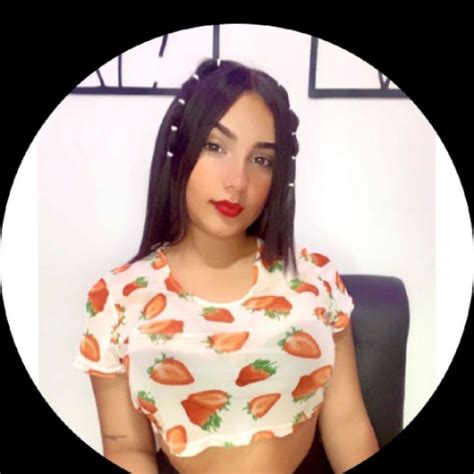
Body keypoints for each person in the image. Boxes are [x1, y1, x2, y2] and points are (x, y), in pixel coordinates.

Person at [74, 57, 379, 474]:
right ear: (179, 152)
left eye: (262, 160)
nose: (238, 181)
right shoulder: (117, 298)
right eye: (215, 147)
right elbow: (127, 448)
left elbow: (348, 425)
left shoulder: (315, 278)